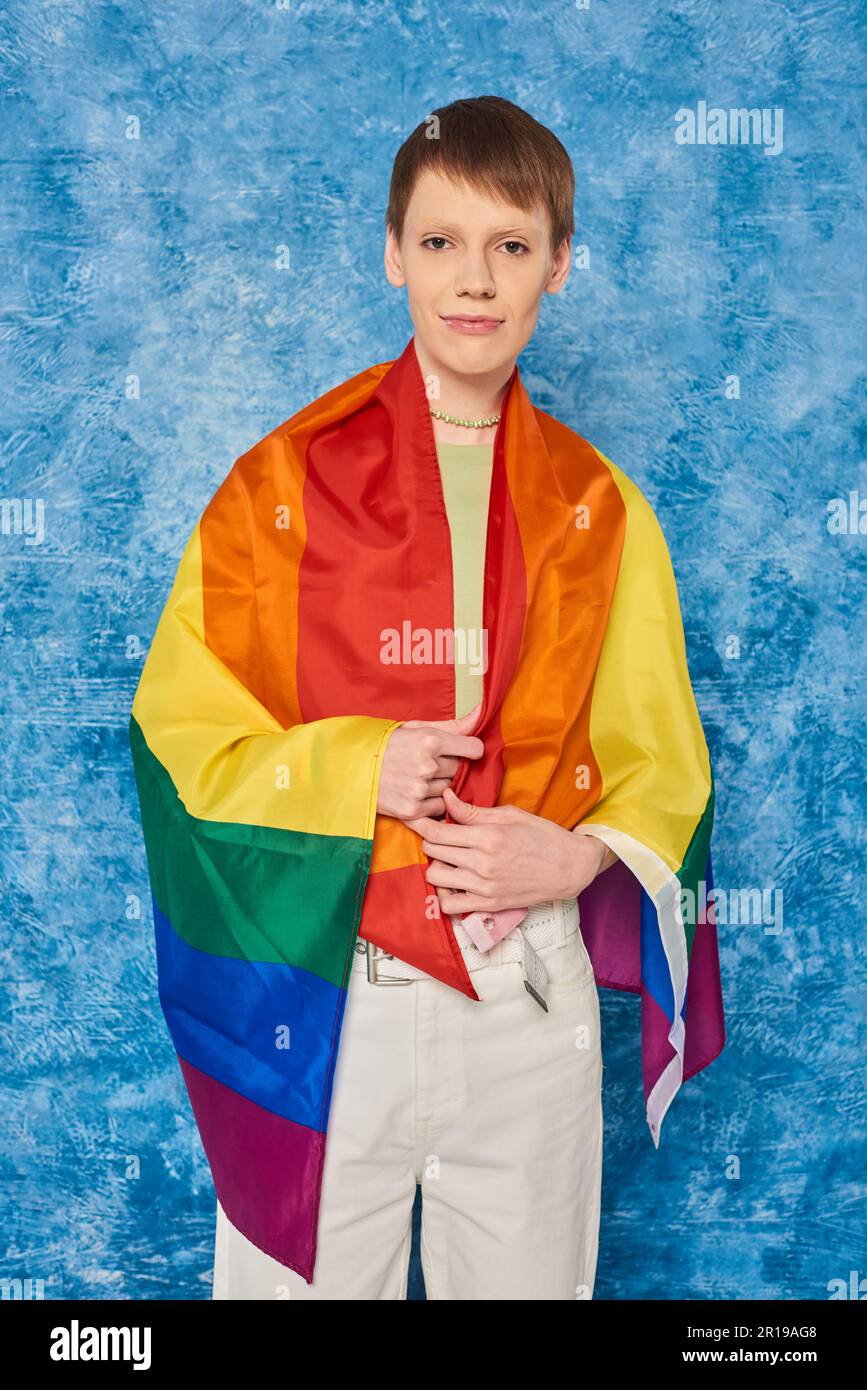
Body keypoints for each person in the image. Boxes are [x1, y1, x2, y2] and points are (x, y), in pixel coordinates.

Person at [130, 95, 724, 1302]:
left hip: (526, 993)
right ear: (391, 250)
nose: (475, 279)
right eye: (443, 242)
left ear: (559, 263)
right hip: (330, 993)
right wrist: (361, 769)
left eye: (512, 246)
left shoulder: (600, 509)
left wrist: (575, 859)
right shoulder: (274, 485)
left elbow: (667, 765)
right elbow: (177, 739)